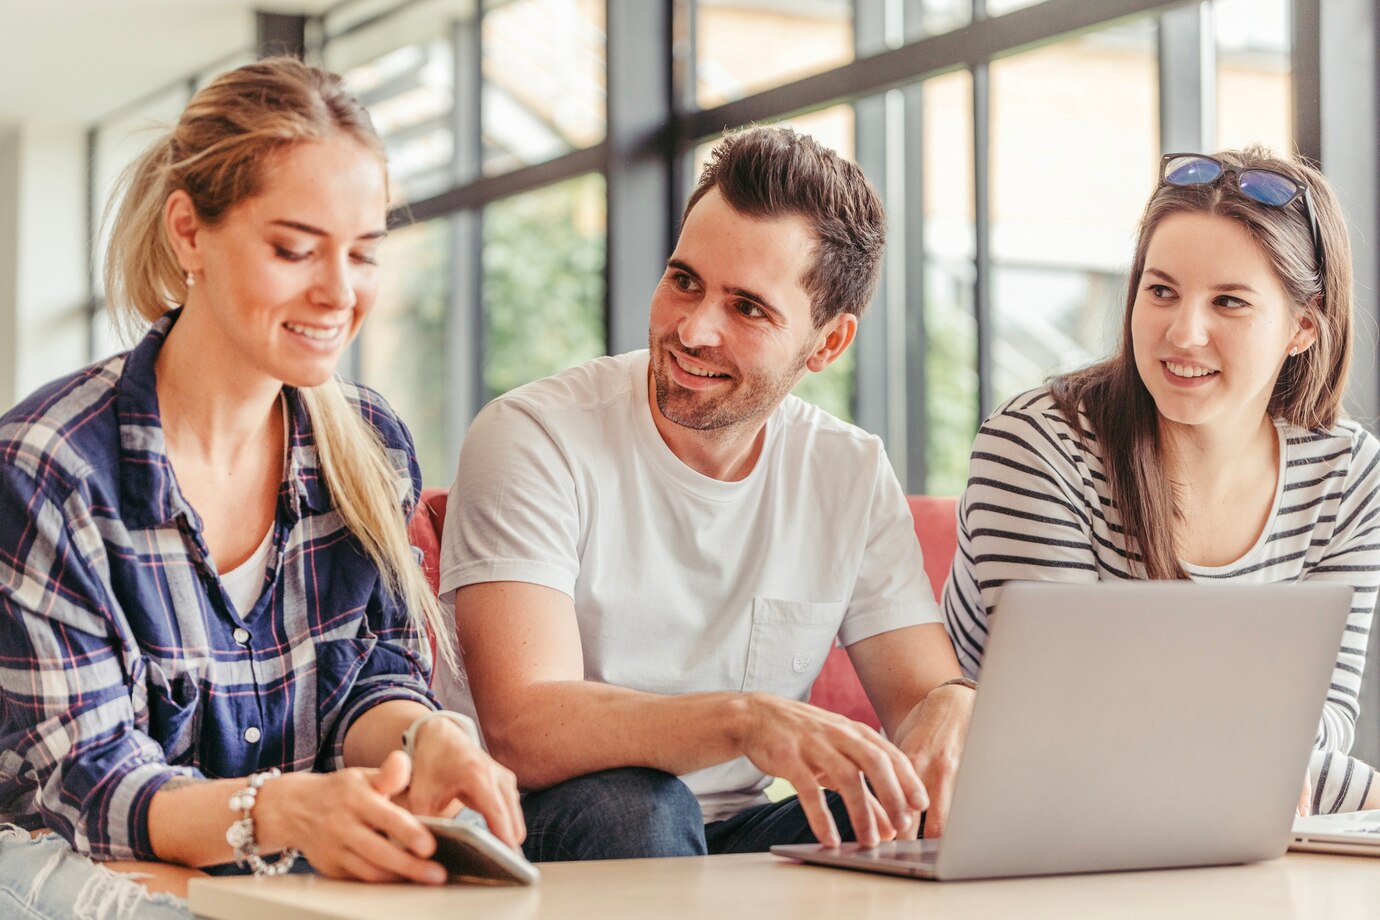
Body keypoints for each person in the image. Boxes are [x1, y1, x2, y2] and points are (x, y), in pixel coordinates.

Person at [0, 57, 522, 919]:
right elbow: (88, 786)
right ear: (189, 233)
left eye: (364, 254)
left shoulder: (370, 444)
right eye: (294, 248)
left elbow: (371, 680)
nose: (339, 292)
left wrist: (426, 739)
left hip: (285, 896)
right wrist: (278, 812)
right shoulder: (50, 471)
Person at [436, 126, 975, 863]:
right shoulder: (534, 435)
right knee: (642, 807)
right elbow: (523, 725)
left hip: (730, 835)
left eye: (747, 308)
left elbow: (920, 702)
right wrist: (745, 723)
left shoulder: (847, 472)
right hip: (535, 819)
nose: (692, 329)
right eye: (684, 280)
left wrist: (952, 702)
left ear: (827, 344)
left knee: (927, 807)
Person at [943, 148, 1380, 814]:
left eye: (1229, 302)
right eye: (1161, 290)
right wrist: (1257, 754)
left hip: (1218, 825)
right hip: (1025, 824)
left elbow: (1319, 722)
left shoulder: (1349, 475)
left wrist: (1265, 763)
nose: (1183, 332)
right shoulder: (1038, 445)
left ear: (1302, 327)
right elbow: (1060, 717)